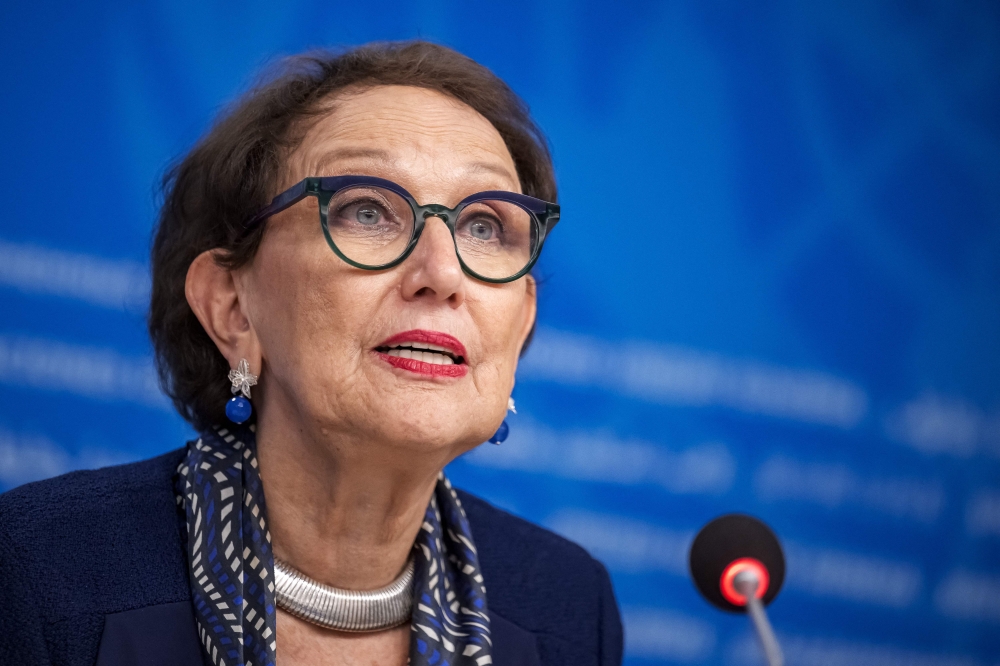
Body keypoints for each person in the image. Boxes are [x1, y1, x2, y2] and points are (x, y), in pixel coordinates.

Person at [0, 41, 622, 666]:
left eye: (484, 226)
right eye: (367, 210)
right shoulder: (42, 570)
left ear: (523, 321)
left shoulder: (565, 609)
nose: (442, 273)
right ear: (233, 308)